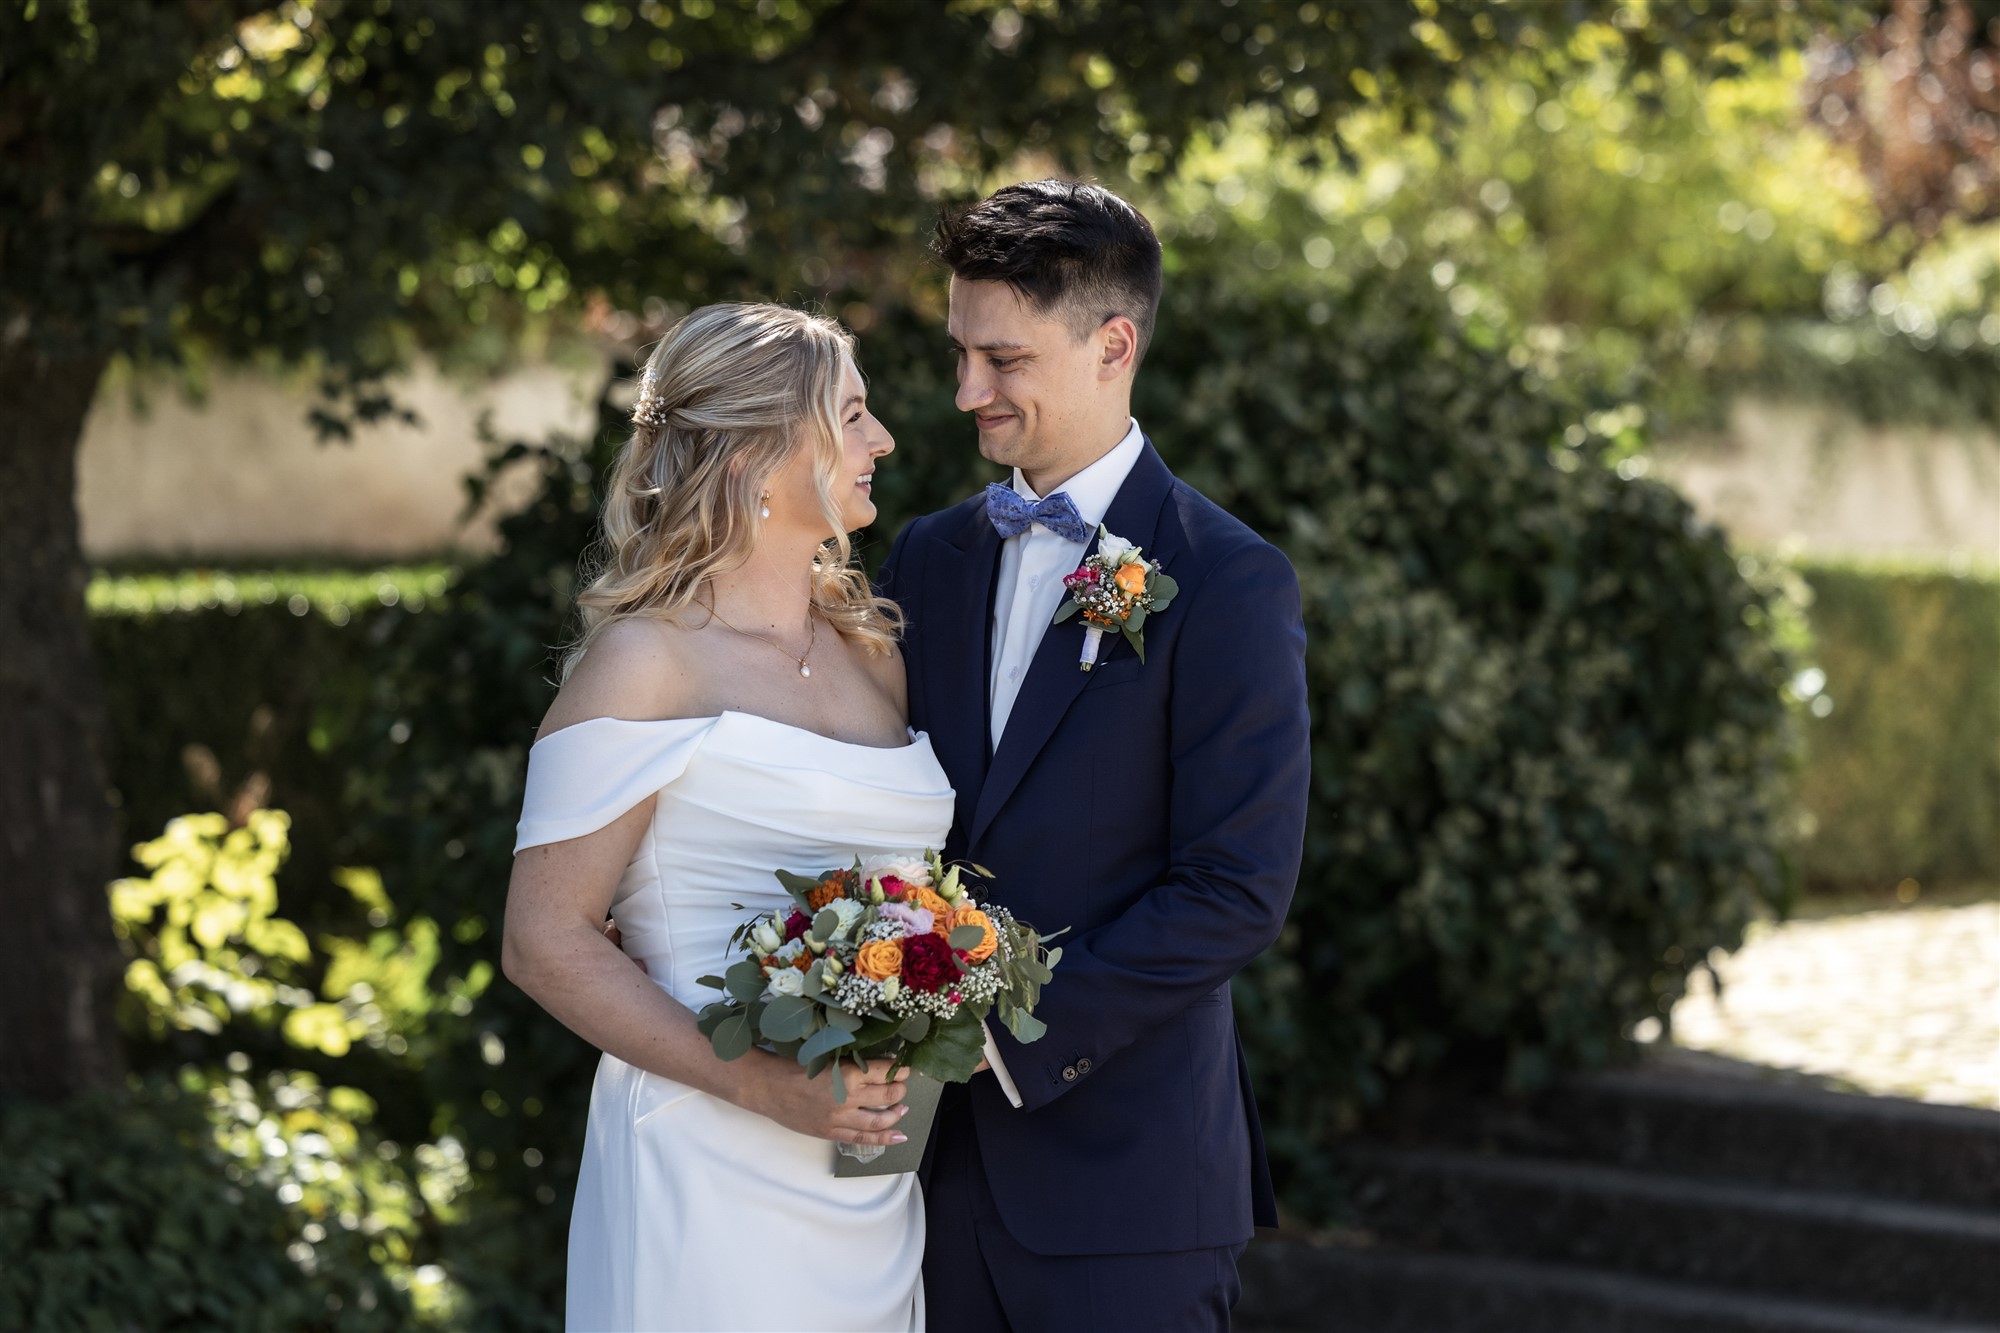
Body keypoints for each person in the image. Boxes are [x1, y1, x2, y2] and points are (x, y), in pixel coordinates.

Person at [878, 180, 1311, 1331]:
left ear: (1112, 345)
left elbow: (1234, 886)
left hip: (1131, 1188)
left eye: (1003, 359)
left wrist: (1001, 1032)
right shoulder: (925, 558)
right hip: (919, 1179)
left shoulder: (1225, 577)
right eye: (961, 353)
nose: (967, 391)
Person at [502, 303, 944, 1331]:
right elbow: (543, 939)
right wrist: (763, 1086)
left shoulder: (874, 656)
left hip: (867, 1176)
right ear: (754, 455)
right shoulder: (644, 664)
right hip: (703, 1157)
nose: (882, 440)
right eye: (852, 415)